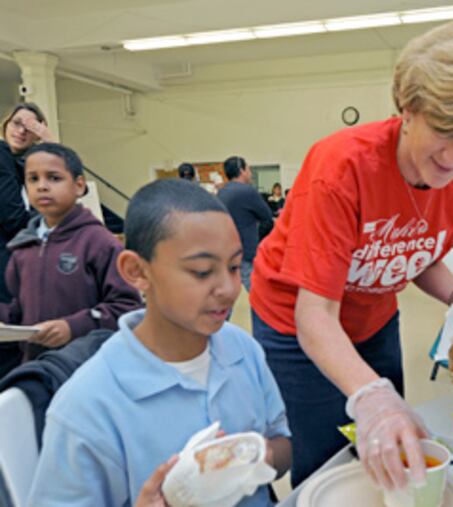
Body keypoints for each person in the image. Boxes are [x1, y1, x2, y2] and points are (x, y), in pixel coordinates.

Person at [249, 19, 453, 489]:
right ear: (408, 107)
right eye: (444, 128)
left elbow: (416, 252)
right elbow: (314, 314)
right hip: (297, 325)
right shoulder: (341, 167)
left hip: (373, 316)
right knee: (327, 458)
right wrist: (370, 396)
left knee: (392, 441)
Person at [26, 179, 292, 506]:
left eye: (234, 267)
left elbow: (282, 445)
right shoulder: (87, 406)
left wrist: (253, 456)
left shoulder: (242, 350)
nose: (228, 288)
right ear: (137, 271)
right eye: (201, 271)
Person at [0, 142, 142, 365]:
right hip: (38, 368)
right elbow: (19, 309)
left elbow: (127, 308)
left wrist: (72, 327)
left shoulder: (98, 242)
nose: (42, 186)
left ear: (79, 186)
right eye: (33, 179)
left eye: (54, 178)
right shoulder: (22, 248)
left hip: (89, 367)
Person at [0, 103, 54, 375]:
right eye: (16, 123)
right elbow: (14, 219)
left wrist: (49, 144)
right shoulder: (0, 156)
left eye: (30, 127)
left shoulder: (21, 167)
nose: (21, 130)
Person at [217, 156, 273, 293]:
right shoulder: (247, 191)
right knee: (259, 296)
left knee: (226, 295)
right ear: (241, 170)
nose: (250, 172)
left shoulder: (221, 192)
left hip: (226, 252)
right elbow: (267, 216)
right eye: (248, 168)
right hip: (245, 252)